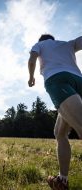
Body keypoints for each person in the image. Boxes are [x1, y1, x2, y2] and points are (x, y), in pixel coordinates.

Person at [28, 34, 82, 190]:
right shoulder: (67, 44)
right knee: (59, 132)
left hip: (58, 80)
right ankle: (62, 181)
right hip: (78, 80)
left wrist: (31, 77)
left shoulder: (39, 45)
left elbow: (32, 59)